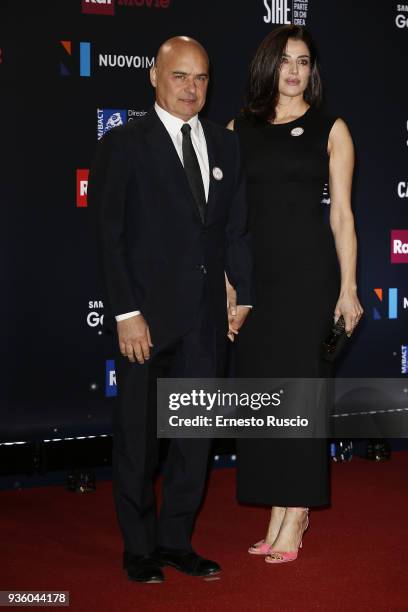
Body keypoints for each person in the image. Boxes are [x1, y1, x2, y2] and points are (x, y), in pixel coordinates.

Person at [88, 36, 253, 583]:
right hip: (147, 323)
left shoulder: (226, 146)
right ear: (154, 78)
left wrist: (239, 292)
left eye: (201, 78)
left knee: (192, 440)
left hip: (207, 321)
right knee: (138, 438)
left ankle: (177, 541)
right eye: (180, 76)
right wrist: (125, 312)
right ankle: (139, 550)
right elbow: (108, 236)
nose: (192, 88)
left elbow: (233, 232)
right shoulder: (124, 143)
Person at [226, 25, 363, 564]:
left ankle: (297, 510)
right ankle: (277, 507)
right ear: (268, 65)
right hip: (258, 282)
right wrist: (233, 287)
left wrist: (349, 289)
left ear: (313, 71)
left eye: (304, 62)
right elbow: (230, 220)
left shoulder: (333, 128)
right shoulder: (240, 128)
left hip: (309, 281)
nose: (294, 70)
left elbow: (343, 215)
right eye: (285, 60)